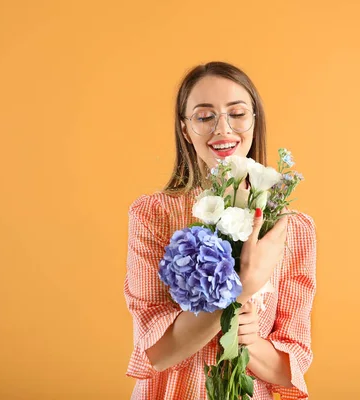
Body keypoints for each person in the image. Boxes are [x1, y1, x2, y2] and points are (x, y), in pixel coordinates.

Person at [124, 61, 317, 399]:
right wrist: (240, 290)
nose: (223, 130)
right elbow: (157, 352)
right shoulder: (153, 215)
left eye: (237, 113)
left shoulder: (292, 228)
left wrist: (251, 340)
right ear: (186, 130)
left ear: (255, 121)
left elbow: (290, 370)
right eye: (204, 116)